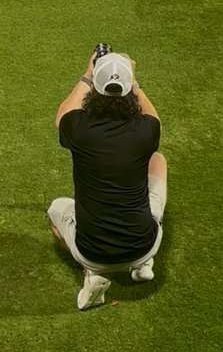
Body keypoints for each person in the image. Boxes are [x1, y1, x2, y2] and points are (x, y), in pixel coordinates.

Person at [47, 48, 167, 310]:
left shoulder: (79, 128)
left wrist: (88, 74)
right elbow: (154, 117)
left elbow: (61, 118)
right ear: (128, 88)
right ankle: (143, 265)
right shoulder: (146, 130)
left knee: (56, 211)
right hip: (143, 245)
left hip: (93, 253)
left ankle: (94, 274)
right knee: (157, 161)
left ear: (96, 87)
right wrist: (133, 80)